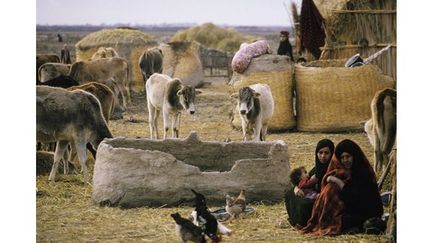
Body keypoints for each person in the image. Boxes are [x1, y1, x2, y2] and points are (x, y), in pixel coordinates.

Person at [301, 139, 384, 236]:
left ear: (354, 156)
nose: (345, 160)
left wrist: (338, 182)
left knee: (342, 220)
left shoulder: (363, 173)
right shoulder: (343, 172)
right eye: (342, 158)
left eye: (348, 156)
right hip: (353, 209)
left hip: (367, 211)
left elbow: (356, 198)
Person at [284, 139, 335, 227]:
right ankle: (296, 220)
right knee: (289, 193)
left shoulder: (334, 170)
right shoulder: (317, 168)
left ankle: (303, 223)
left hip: (325, 201)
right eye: (320, 152)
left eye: (327, 153)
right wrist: (297, 189)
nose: (323, 156)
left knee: (305, 205)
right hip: (312, 195)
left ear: (332, 154)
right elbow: (302, 182)